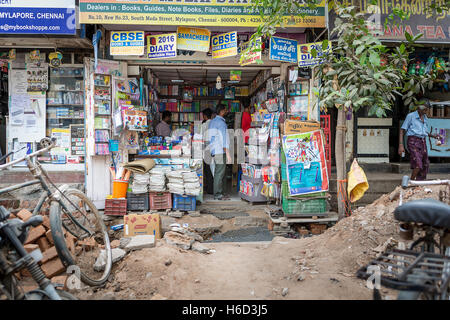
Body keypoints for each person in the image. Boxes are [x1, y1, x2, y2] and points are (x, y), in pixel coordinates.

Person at [398, 100, 441, 181]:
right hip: (413, 142)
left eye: (427, 109)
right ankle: (411, 182)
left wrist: (433, 136)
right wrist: (401, 145)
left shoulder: (425, 118)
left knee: (425, 164)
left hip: (423, 142)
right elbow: (402, 130)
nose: (425, 110)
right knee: (418, 165)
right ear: (418, 107)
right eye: (424, 108)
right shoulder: (411, 116)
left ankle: (419, 183)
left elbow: (423, 132)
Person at [208, 104, 231, 200]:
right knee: (219, 173)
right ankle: (218, 194)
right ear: (221, 111)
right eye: (226, 110)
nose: (227, 111)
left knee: (220, 172)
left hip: (214, 150)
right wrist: (229, 155)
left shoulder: (212, 122)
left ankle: (221, 192)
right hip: (220, 151)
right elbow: (223, 140)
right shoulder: (221, 123)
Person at [201, 108, 214, 195]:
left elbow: (200, 138)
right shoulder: (214, 123)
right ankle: (213, 188)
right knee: (213, 169)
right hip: (214, 149)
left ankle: (209, 189)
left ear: (205, 116)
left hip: (206, 149)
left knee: (207, 170)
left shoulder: (203, 125)